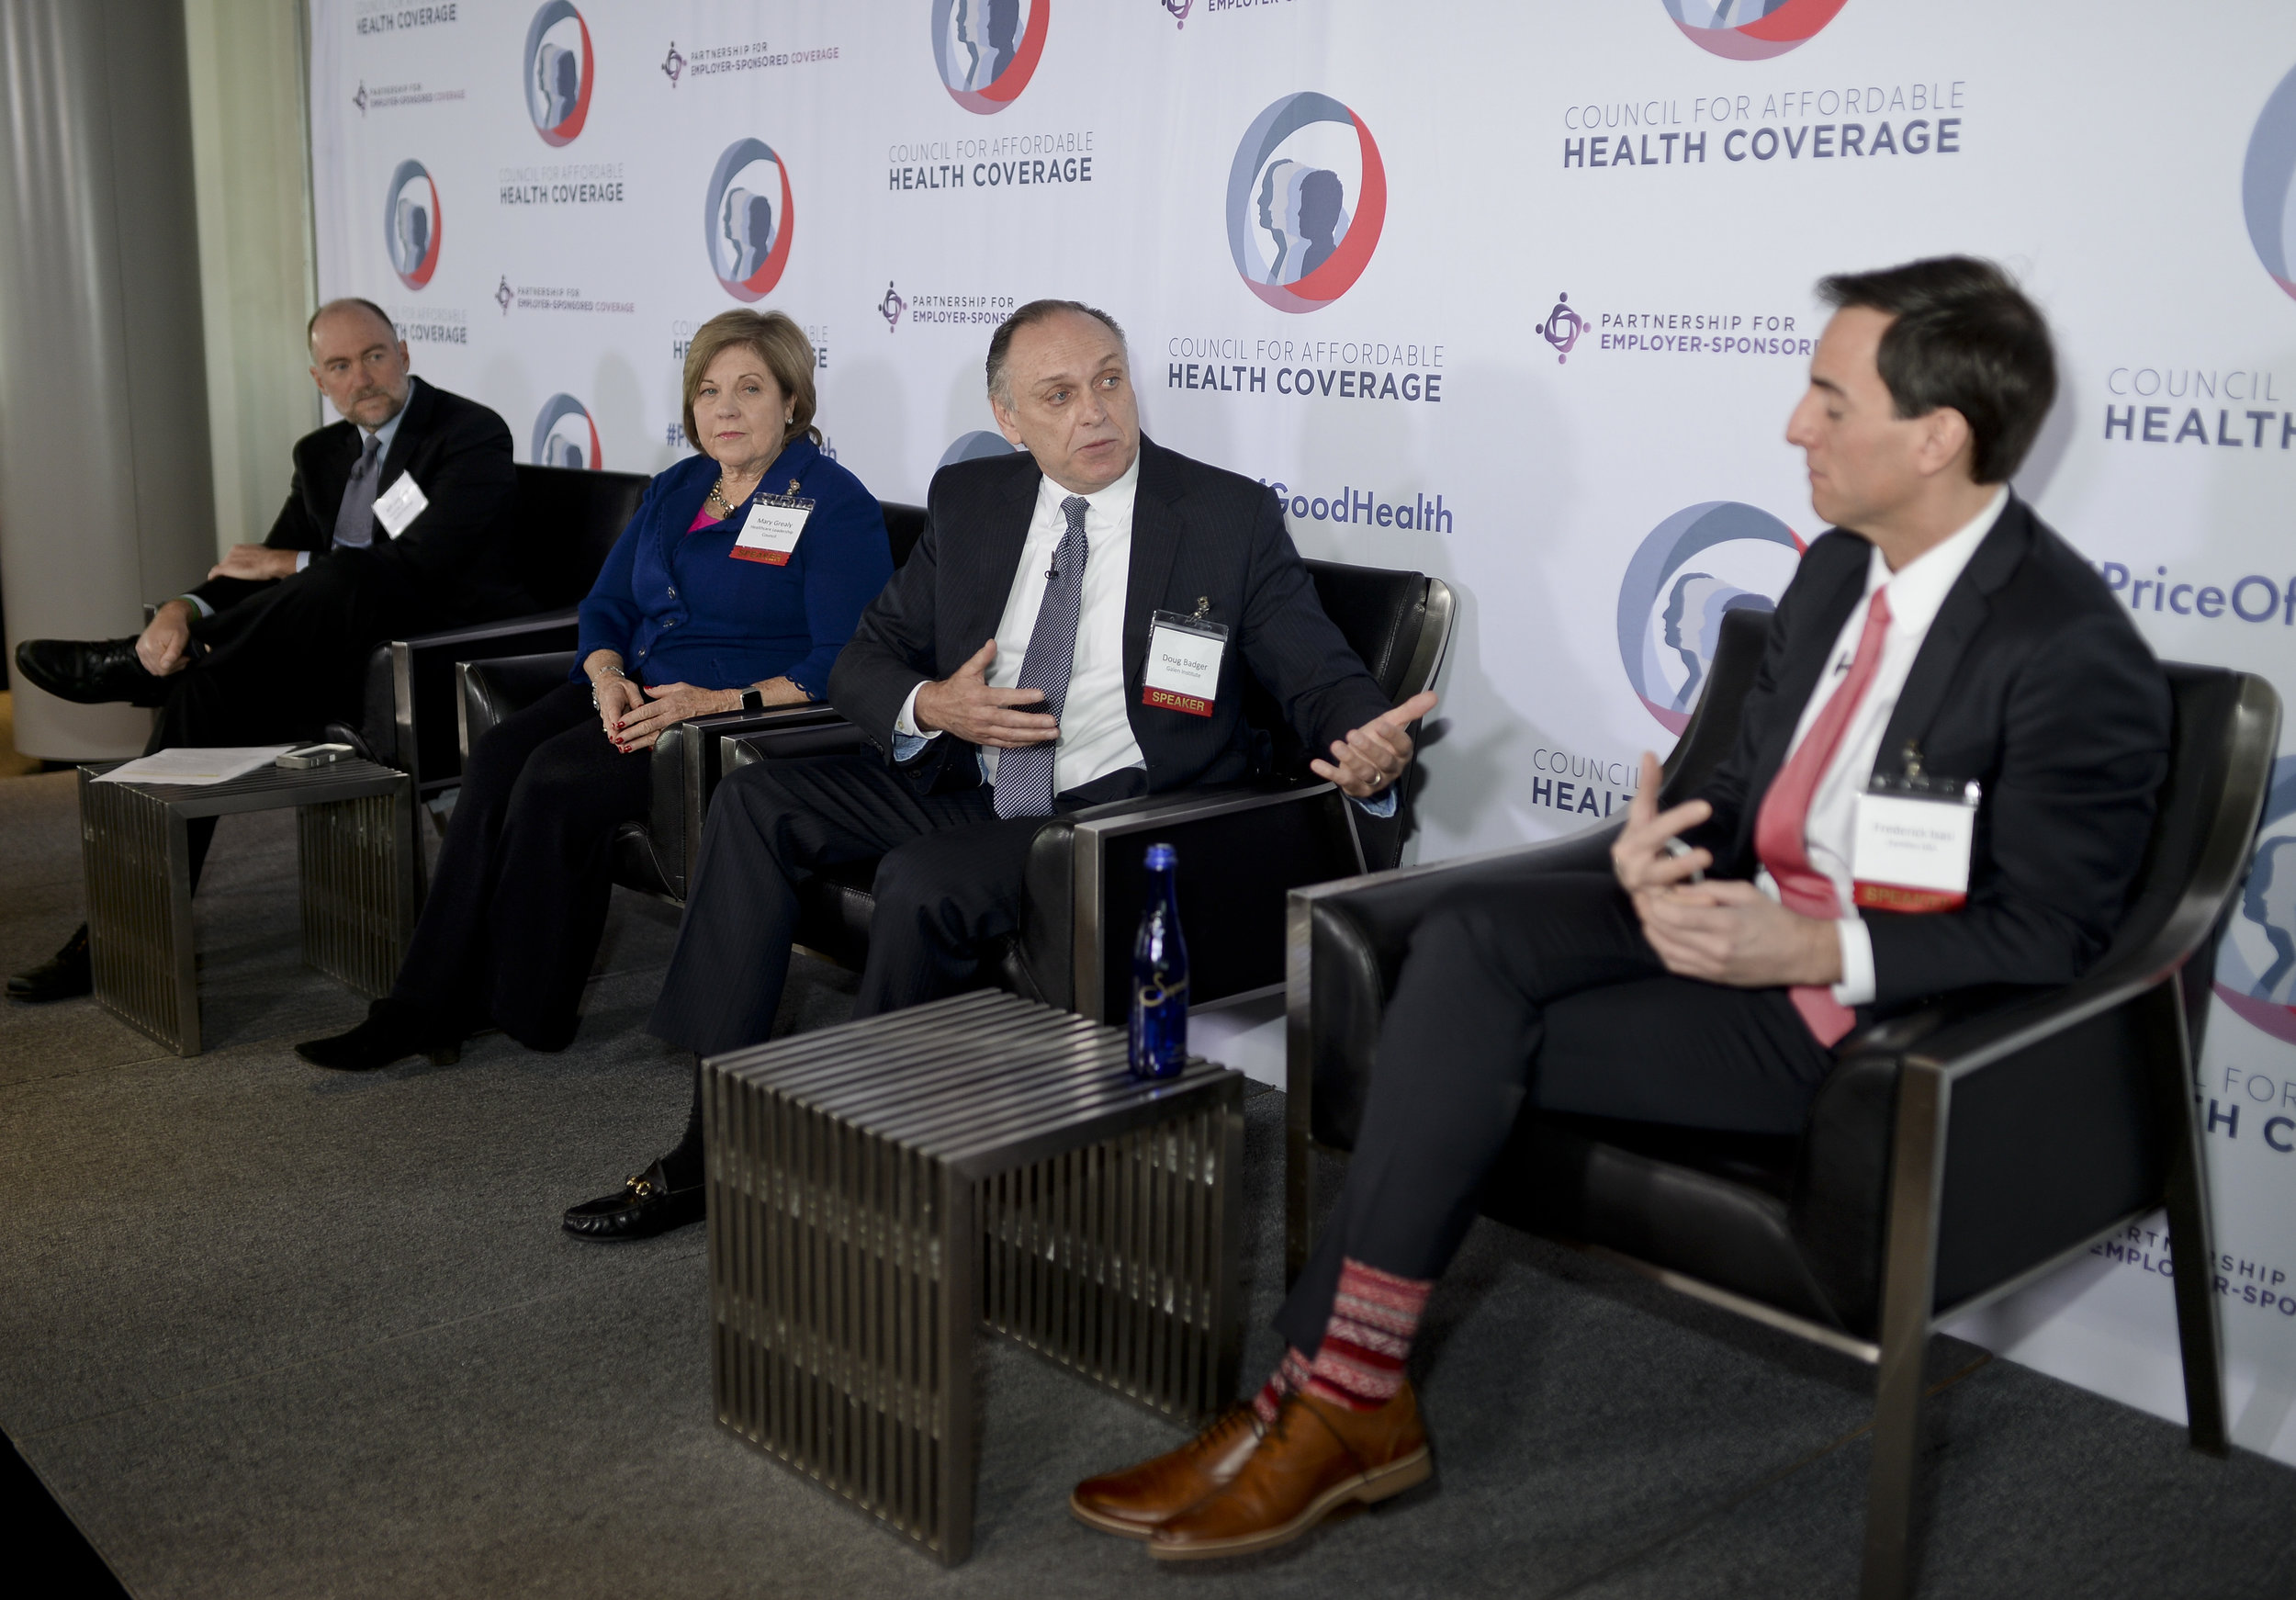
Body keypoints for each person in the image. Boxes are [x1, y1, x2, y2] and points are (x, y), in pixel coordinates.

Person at [1068, 257, 2173, 1560]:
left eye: (1828, 398)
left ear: (1937, 437)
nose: (1793, 425)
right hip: (1725, 928)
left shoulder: (2068, 647)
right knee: (1464, 942)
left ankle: (1322, 1396)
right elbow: (1755, 794)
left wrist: (1816, 941)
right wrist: (1663, 850)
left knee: (1452, 1029)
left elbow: (2056, 933)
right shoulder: (1831, 575)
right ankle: (1337, 1394)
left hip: (1853, 1020)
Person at [560, 298, 1435, 1241]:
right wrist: (931, 704)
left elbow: (1322, 676)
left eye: (1109, 379)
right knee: (756, 799)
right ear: (1009, 419)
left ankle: (880, 1178)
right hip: (973, 782)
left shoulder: (1222, 514)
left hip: (1117, 816)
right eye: (1058, 394)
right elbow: (864, 659)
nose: (1094, 410)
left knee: (921, 882)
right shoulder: (975, 502)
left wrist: (1369, 748)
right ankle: (710, 1141)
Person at [294, 310, 892, 1071]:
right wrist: (606, 675)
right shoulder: (678, 487)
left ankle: (518, 1005)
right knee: (501, 752)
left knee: (554, 780)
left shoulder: (833, 504)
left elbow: (843, 661)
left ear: (792, 402)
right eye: (709, 391)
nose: (726, 410)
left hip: (731, 722)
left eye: (749, 389)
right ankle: (421, 1000)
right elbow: (607, 606)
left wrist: (705, 704)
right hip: (634, 691)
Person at [9, 299, 522, 1004]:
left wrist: (302, 567)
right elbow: (256, 565)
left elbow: (423, 564)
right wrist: (184, 609)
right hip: (317, 656)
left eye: (374, 356)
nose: (362, 377)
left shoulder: (467, 433)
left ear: (404, 353)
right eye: (340, 366)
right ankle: (116, 932)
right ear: (320, 379)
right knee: (201, 692)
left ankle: (133, 667)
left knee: (339, 572)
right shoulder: (320, 456)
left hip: (421, 654)